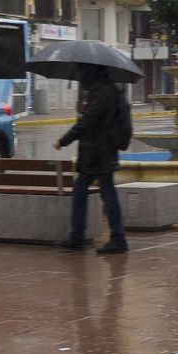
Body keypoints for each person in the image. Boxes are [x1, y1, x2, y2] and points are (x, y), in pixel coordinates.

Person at [56, 65, 132, 255]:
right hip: (98, 151)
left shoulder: (102, 92)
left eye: (83, 72)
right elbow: (94, 118)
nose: (81, 77)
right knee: (89, 191)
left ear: (91, 72)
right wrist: (84, 108)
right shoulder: (107, 89)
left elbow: (89, 121)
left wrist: (63, 140)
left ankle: (115, 238)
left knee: (103, 194)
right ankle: (81, 236)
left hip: (99, 151)